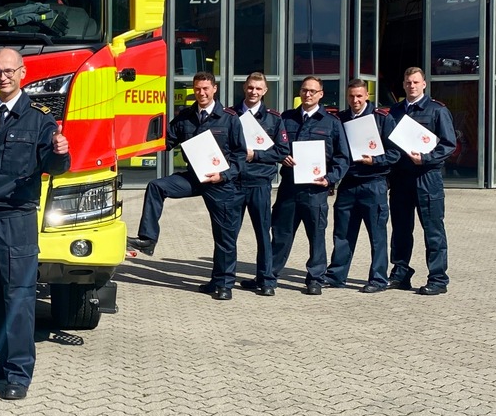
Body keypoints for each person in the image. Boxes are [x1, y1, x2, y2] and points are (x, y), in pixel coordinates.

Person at [0, 48, 70, 400]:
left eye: (10, 71)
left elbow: (54, 169)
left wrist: (60, 152)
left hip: (16, 218)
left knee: (19, 296)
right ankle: (3, 358)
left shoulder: (39, 120)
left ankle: (20, 373)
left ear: (22, 73)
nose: (3, 76)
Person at [126, 72, 245, 301]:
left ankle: (223, 284)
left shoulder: (230, 119)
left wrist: (223, 175)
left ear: (214, 89)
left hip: (220, 183)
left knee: (224, 237)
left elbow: (240, 156)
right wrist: (138, 134)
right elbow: (166, 141)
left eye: (206, 89)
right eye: (197, 89)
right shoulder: (185, 117)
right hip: (193, 177)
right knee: (156, 186)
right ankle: (148, 239)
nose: (201, 93)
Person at [263, 77, 350, 296]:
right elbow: (274, 145)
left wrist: (330, 178)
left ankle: (315, 278)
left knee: (316, 237)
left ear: (321, 94)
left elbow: (343, 157)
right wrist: (281, 156)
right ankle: (269, 276)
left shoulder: (332, 122)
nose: (307, 94)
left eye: (312, 91)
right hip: (289, 188)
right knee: (281, 234)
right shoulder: (286, 118)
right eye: (304, 90)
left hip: (315, 190)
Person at [325, 80, 401, 293]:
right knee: (342, 233)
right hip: (348, 183)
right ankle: (336, 276)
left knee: (377, 235)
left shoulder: (383, 118)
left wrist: (375, 161)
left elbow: (395, 153)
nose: (355, 101)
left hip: (374, 183)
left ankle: (378, 279)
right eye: (351, 96)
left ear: (367, 95)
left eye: (359, 96)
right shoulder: (339, 119)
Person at [387, 67, 455, 295]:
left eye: (416, 82)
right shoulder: (394, 112)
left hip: (428, 178)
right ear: (404, 85)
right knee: (400, 229)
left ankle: (438, 278)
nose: (412, 86)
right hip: (401, 179)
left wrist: (425, 158)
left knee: (433, 230)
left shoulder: (437, 111)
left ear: (424, 84)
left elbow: (448, 145)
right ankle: (400, 274)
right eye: (408, 82)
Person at [234, 73, 290, 296]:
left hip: (260, 183)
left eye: (258, 88)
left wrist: (253, 155)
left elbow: (281, 151)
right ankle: (224, 279)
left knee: (262, 234)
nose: (253, 92)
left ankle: (266, 280)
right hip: (235, 183)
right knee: (229, 234)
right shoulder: (230, 115)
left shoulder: (275, 119)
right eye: (250, 88)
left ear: (265, 91)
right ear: (244, 89)